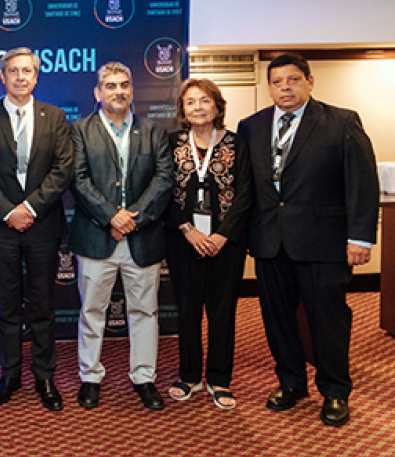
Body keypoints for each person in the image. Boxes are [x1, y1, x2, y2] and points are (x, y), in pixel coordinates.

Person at [237, 53, 378, 427]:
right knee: (278, 319)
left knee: (328, 319)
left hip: (323, 242)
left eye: (293, 79)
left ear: (310, 81)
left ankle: (335, 391)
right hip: (269, 241)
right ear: (269, 87)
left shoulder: (341, 122)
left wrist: (360, 238)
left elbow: (362, 182)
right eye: (277, 81)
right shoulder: (251, 126)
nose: (285, 87)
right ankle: (291, 383)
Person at [0, 47, 73, 411]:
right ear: (3, 76)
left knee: (44, 305)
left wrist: (29, 208)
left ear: (36, 76)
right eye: (13, 71)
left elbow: (63, 169)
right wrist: (8, 212)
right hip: (2, 227)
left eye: (26, 70)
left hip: (42, 225)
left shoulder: (55, 116)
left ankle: (45, 376)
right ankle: (10, 375)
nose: (20, 77)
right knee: (8, 305)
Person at [68, 62, 173, 411]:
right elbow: (78, 179)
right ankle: (90, 376)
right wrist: (111, 215)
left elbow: (163, 179)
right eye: (110, 85)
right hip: (95, 236)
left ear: (132, 90)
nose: (118, 91)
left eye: (124, 84)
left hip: (142, 238)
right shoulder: (79, 130)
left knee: (145, 311)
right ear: (97, 92)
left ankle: (144, 377)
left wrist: (133, 218)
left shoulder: (153, 131)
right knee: (92, 311)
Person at [163, 78, 251, 409]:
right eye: (191, 102)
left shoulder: (237, 144)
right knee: (187, 310)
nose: (198, 107)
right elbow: (162, 191)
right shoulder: (171, 143)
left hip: (226, 243)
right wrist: (189, 230)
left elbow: (245, 194)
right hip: (183, 240)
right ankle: (189, 375)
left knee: (222, 310)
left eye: (204, 100)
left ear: (217, 106)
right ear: (182, 109)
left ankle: (219, 378)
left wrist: (222, 235)